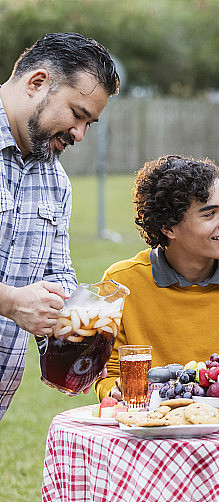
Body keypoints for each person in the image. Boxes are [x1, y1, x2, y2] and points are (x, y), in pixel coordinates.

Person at [94, 155, 219, 400]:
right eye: (209, 214)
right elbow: (108, 375)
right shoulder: (121, 284)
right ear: (169, 227)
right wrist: (116, 390)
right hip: (160, 422)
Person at [0, 33, 119, 419]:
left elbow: (56, 274)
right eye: (77, 114)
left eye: (89, 123)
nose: (80, 134)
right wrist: (11, 302)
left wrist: (86, 322)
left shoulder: (56, 182)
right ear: (37, 83)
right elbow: (18, 302)